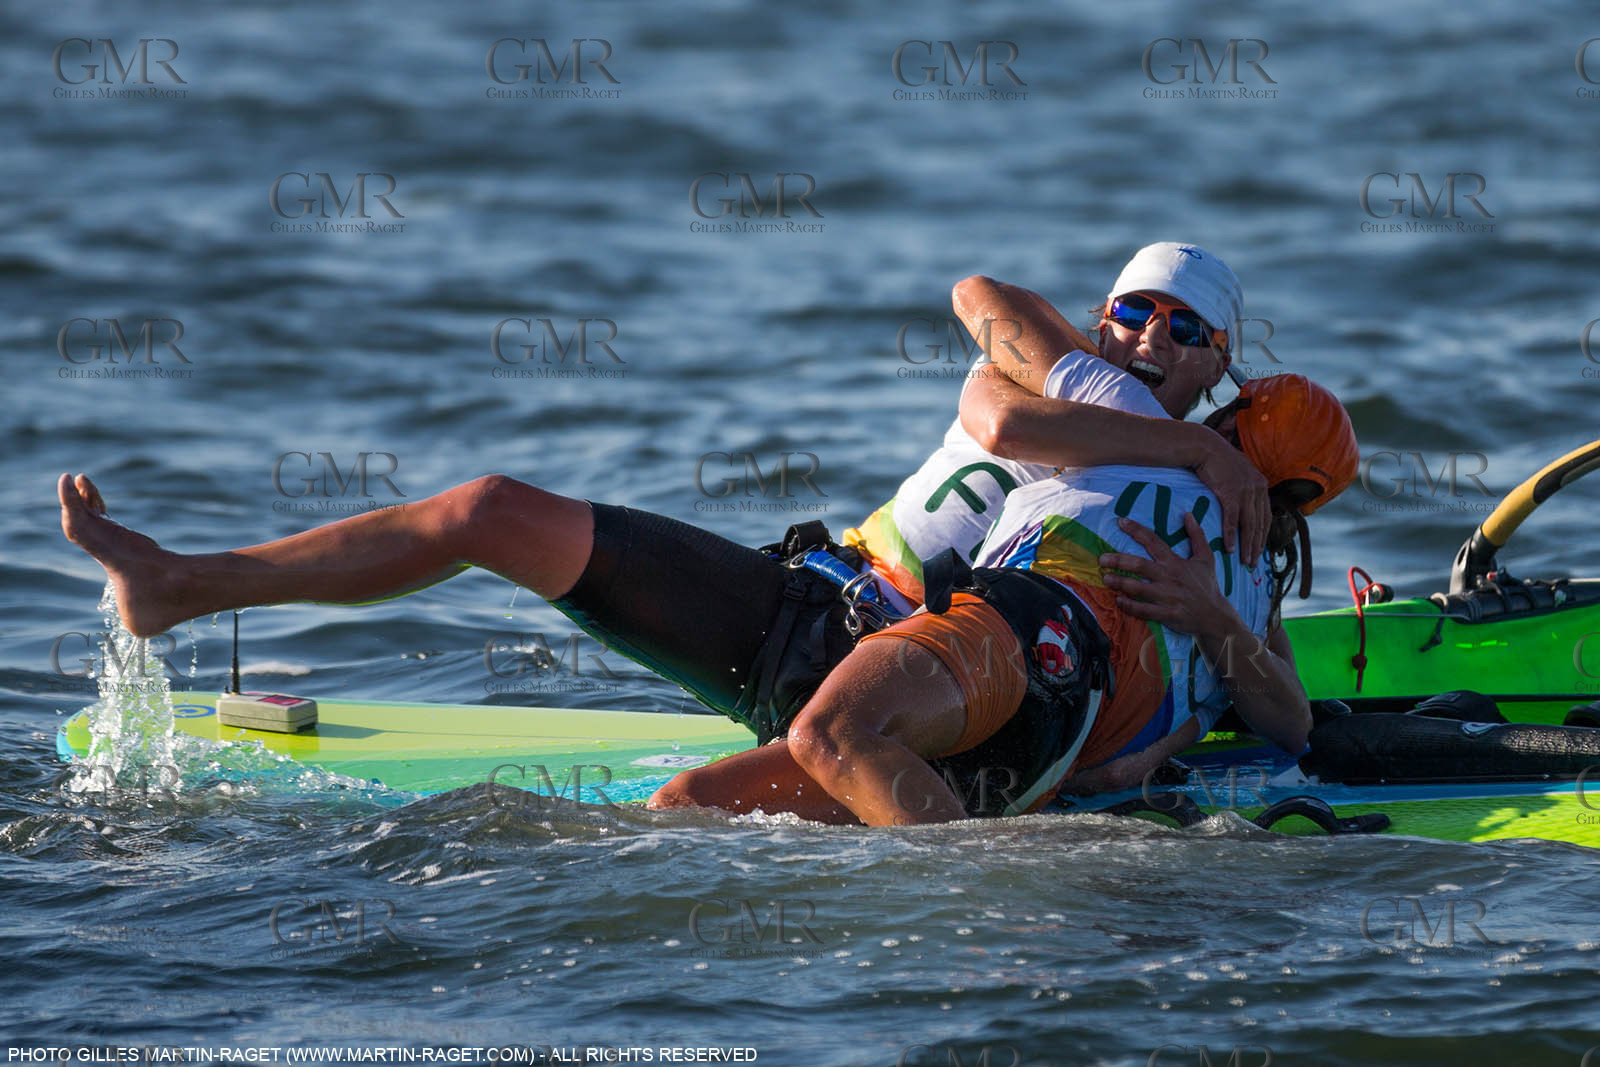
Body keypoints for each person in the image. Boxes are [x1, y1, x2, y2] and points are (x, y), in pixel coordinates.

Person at [58, 243, 1262, 757]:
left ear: (1221, 368)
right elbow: (988, 357)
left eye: (1186, 326)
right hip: (798, 603)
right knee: (488, 506)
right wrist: (1191, 450)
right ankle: (182, 583)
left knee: (697, 807)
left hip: (930, 685)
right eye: (1133, 307)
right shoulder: (1062, 377)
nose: (1150, 331)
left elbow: (1206, 663)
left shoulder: (1214, 504)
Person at [646, 374, 1359, 826]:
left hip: (1031, 624)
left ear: (1230, 413)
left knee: (825, 735)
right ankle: (967, 872)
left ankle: (964, 889)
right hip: (1053, 753)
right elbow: (1292, 724)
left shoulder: (1135, 431)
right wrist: (1210, 619)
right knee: (690, 806)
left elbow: (987, 317)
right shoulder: (1253, 581)